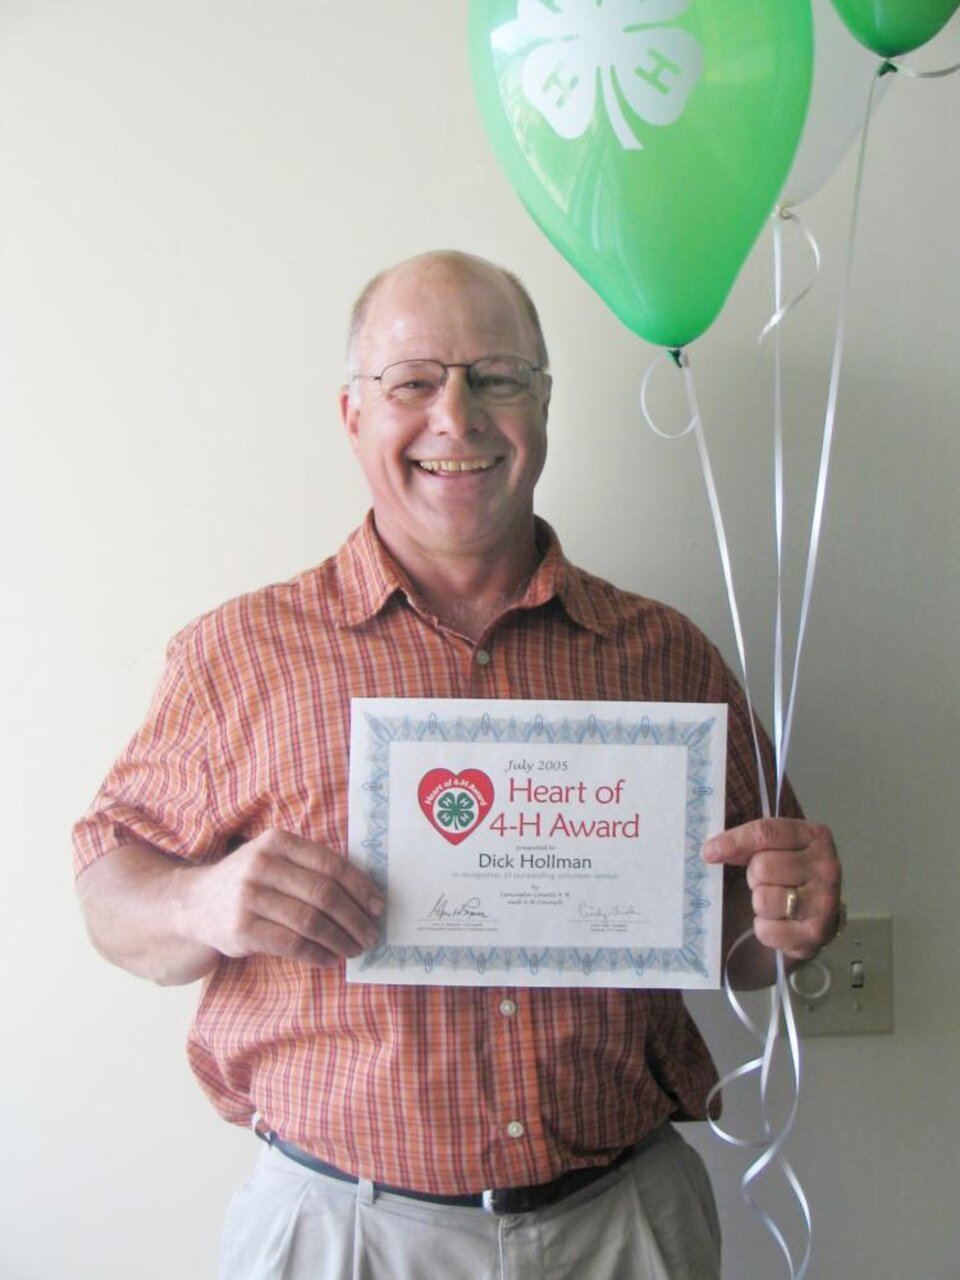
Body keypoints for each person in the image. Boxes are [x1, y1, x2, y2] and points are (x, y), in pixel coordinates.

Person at [74, 250, 842, 1280]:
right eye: (414, 382)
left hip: (623, 1224)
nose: (458, 416)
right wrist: (201, 901)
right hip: (342, 1231)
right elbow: (107, 886)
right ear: (353, 415)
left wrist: (792, 921)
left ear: (545, 404)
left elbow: (742, 932)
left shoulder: (663, 653)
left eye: (498, 376)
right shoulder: (239, 653)